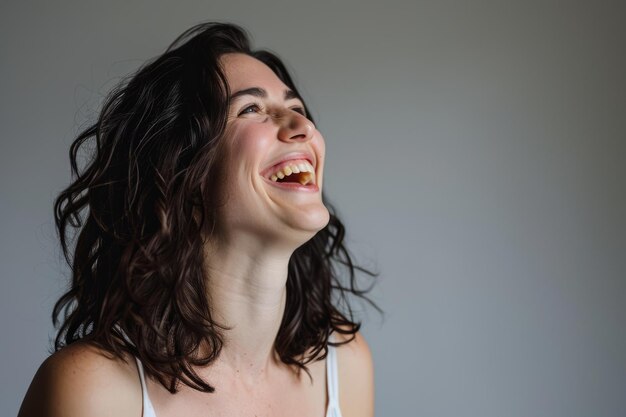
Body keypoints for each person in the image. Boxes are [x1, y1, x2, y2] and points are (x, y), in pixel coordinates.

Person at [18, 22, 376, 417]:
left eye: (296, 109)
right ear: (182, 175)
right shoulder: (92, 391)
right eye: (251, 108)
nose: (304, 127)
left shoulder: (344, 364)